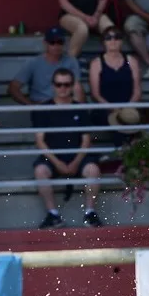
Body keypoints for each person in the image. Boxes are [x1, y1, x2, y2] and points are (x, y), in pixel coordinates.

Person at [33, 68, 103, 229]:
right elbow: (40, 141)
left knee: (93, 169)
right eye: (59, 84)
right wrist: (57, 163)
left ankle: (90, 213)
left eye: (67, 84)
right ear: (53, 86)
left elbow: (86, 141)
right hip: (53, 158)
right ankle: (53, 215)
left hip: (78, 156)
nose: (63, 88)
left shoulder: (80, 108)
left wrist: (75, 162)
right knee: (40, 171)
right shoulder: (43, 109)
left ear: (72, 86)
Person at [88, 26, 142, 145]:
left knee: (131, 118)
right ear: (103, 42)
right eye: (108, 38)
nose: (113, 40)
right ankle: (123, 152)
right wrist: (114, 109)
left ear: (122, 41)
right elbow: (95, 94)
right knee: (114, 122)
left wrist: (126, 109)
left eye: (117, 37)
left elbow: (137, 91)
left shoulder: (130, 61)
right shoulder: (97, 63)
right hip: (105, 108)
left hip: (129, 107)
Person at [8, 27, 83, 106]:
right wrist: (30, 105)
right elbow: (13, 88)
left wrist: (78, 110)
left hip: (65, 105)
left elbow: (77, 89)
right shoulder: (33, 62)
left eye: (60, 42)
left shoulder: (71, 61)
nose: (56, 45)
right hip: (42, 106)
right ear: (45, 43)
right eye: (52, 42)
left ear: (64, 43)